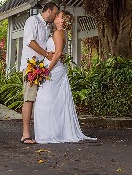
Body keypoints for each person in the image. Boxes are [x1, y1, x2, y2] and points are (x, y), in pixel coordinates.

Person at [33, 10, 96, 144]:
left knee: (45, 100)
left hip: (53, 70)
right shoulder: (60, 32)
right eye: (57, 16)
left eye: (59, 16)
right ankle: (54, 132)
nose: (57, 17)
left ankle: (49, 134)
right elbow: (58, 52)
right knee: (54, 101)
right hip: (56, 68)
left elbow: (57, 54)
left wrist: (46, 70)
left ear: (62, 21)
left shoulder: (58, 32)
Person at [20, 1, 60, 144]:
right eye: (55, 13)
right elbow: (30, 41)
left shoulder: (48, 26)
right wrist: (46, 54)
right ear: (49, 11)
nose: (56, 16)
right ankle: (25, 134)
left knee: (42, 100)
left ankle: (43, 133)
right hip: (31, 66)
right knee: (29, 99)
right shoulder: (33, 21)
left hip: (43, 67)